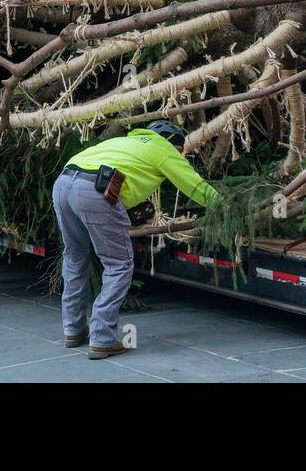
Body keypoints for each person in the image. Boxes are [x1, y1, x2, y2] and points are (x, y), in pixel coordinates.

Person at [52, 120, 217, 360]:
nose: (180, 156)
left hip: (64, 183)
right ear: (173, 142)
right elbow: (196, 186)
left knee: (75, 257)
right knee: (118, 264)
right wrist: (226, 208)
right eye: (180, 151)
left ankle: (73, 330)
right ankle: (101, 339)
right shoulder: (163, 148)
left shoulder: (124, 142)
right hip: (96, 189)